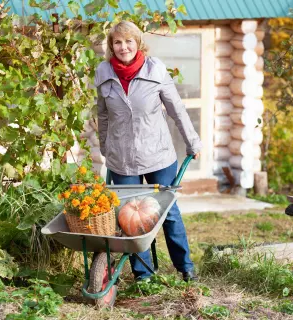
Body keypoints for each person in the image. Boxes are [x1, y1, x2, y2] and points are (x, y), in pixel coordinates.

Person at [95, 21, 202, 282]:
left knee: (168, 214)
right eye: (117, 42)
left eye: (128, 41)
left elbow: (176, 108)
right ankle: (143, 275)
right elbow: (103, 115)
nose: (123, 47)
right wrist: (106, 148)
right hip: (123, 161)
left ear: (138, 42)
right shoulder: (104, 72)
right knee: (129, 218)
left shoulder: (155, 69)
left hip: (158, 156)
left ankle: (185, 267)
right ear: (111, 46)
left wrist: (193, 142)